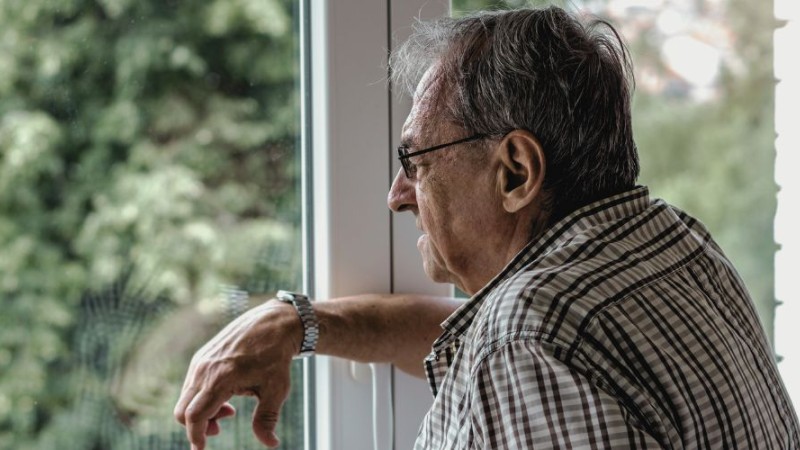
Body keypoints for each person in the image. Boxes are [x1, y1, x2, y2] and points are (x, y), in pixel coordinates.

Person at [174, 6, 800, 449]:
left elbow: (516, 341)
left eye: (416, 162)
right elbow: (484, 337)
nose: (397, 196)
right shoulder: (668, 241)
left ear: (516, 171)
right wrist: (299, 324)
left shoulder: (526, 340)